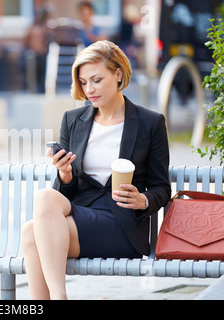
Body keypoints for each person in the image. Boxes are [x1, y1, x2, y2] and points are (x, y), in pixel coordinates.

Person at [20, 40, 171, 300]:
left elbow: (162, 188)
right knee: (36, 219)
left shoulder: (150, 122)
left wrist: (142, 199)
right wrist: (64, 175)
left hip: (123, 224)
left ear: (118, 74)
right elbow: (64, 195)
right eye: (83, 82)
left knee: (31, 231)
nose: (89, 89)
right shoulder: (72, 120)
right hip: (82, 213)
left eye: (97, 80)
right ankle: (58, 297)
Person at [22, 7, 51, 93]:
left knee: (43, 73)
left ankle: (42, 88)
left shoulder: (45, 27)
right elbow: (26, 42)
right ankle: (33, 88)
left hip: (43, 54)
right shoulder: (32, 28)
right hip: (33, 55)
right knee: (33, 73)